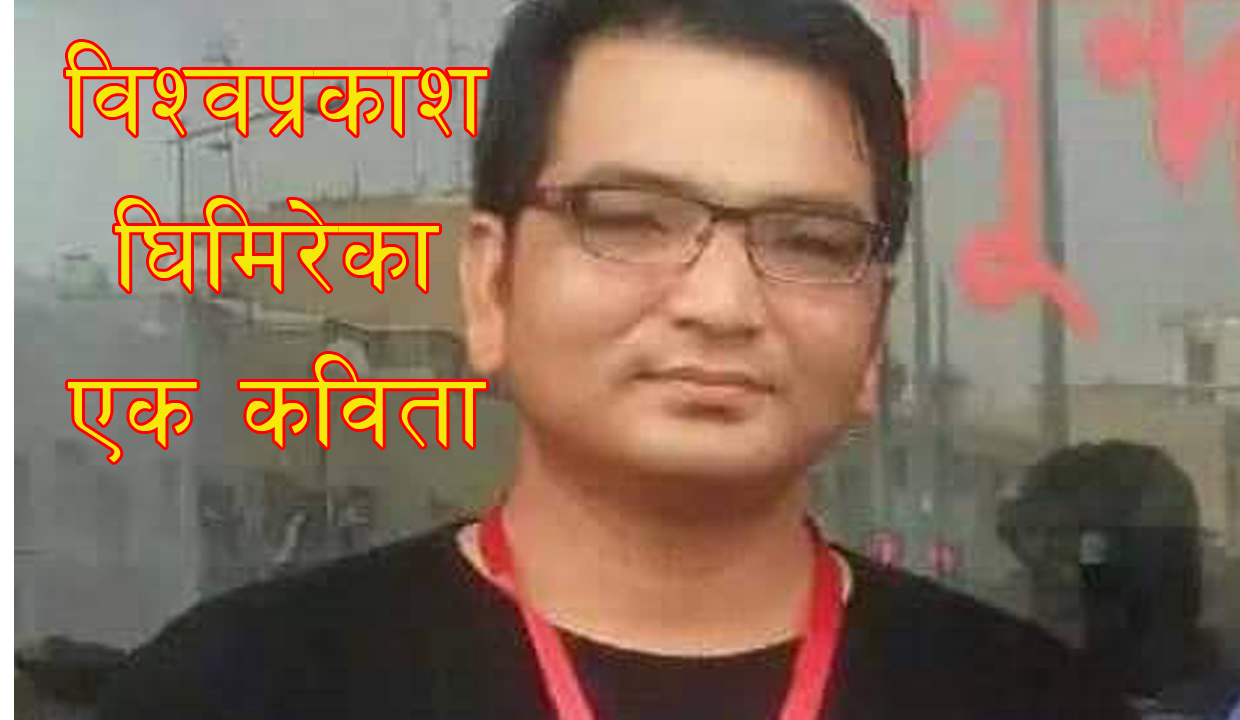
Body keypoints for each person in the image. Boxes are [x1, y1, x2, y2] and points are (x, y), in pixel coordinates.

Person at [99, 1, 1137, 718]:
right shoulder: (237, 692)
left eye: (809, 242)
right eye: (631, 219)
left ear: (874, 332)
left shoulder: (1031, 702)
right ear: (490, 285)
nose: (721, 304)